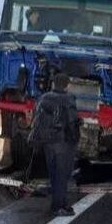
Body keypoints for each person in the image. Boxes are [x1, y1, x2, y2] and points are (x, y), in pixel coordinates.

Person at [29, 73, 80, 216]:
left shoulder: (44, 98)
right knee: (62, 176)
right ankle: (58, 207)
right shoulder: (68, 99)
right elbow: (71, 122)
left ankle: (61, 204)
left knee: (54, 174)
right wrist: (75, 140)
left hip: (48, 143)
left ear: (53, 84)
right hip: (63, 142)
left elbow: (36, 118)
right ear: (67, 85)